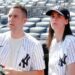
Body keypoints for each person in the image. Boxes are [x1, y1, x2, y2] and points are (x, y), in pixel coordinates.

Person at [0, 4, 45, 75]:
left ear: (24, 20)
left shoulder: (35, 44)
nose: (11, 19)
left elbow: (40, 73)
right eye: (9, 16)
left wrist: (17, 73)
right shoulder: (1, 38)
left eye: (15, 16)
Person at [46, 6, 75, 75]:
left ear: (66, 21)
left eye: (59, 16)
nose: (55, 19)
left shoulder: (71, 42)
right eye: (52, 16)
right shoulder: (52, 43)